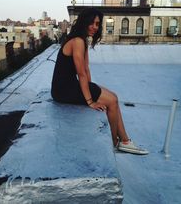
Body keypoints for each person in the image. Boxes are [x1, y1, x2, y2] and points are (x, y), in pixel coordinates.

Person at [51, 8, 148, 155]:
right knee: (112, 100)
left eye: (97, 24)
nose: (95, 27)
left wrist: (90, 88)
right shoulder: (77, 41)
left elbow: (86, 69)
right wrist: (90, 101)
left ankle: (124, 141)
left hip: (68, 86)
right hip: (63, 90)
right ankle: (117, 142)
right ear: (84, 22)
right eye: (92, 23)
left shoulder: (81, 40)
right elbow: (81, 73)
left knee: (113, 97)